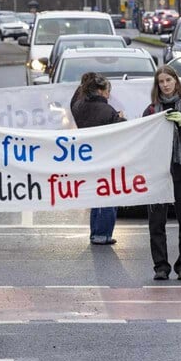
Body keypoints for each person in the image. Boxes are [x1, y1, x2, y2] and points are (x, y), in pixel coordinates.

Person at [142, 65, 181, 280]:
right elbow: (143, 143)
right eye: (161, 82)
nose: (165, 85)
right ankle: (161, 266)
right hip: (159, 174)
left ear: (176, 81)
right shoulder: (150, 111)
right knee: (156, 223)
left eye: (169, 80)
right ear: (157, 85)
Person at [71, 72, 126, 245]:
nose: (109, 95)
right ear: (101, 91)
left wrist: (86, 81)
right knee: (109, 194)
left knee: (97, 195)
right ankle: (103, 234)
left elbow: (74, 99)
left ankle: (95, 232)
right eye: (108, 91)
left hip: (89, 157)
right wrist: (121, 118)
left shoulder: (78, 106)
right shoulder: (106, 110)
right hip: (106, 156)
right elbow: (121, 130)